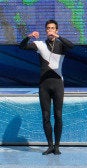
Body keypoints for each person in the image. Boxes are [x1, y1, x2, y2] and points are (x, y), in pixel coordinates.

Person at [19, 19, 74, 155]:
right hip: (44, 85)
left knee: (58, 115)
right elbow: (22, 47)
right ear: (46, 30)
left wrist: (58, 37)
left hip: (58, 84)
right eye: (48, 28)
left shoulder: (61, 45)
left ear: (56, 30)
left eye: (53, 28)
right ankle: (50, 146)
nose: (50, 30)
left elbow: (72, 46)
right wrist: (29, 36)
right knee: (45, 116)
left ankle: (57, 146)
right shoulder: (40, 44)